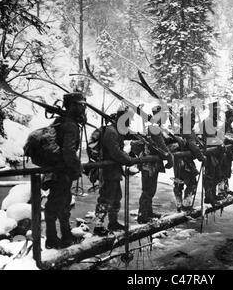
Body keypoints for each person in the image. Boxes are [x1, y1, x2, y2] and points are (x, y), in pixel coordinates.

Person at [89, 106, 149, 236]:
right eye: (128, 120)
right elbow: (115, 152)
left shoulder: (116, 130)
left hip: (113, 171)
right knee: (105, 198)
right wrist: (130, 160)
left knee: (116, 197)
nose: (129, 123)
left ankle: (113, 222)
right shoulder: (111, 132)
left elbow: (127, 134)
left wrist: (139, 135)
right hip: (107, 171)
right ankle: (98, 226)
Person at [42, 92, 86, 249]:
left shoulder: (60, 121)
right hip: (60, 172)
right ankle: (52, 239)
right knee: (55, 205)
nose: (83, 108)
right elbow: (68, 151)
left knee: (63, 203)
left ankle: (65, 235)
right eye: (81, 105)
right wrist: (76, 167)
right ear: (74, 106)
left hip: (54, 171)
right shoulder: (70, 125)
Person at [137, 105, 173, 224]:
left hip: (152, 163)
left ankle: (148, 211)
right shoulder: (154, 128)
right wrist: (169, 157)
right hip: (149, 164)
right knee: (147, 189)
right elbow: (161, 147)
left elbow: (163, 142)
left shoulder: (155, 127)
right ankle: (143, 215)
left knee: (151, 189)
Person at [172, 107, 206, 212]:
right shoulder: (188, 132)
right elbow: (193, 146)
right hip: (186, 163)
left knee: (179, 183)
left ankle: (179, 204)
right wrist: (201, 158)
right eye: (191, 120)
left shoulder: (178, 130)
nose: (192, 122)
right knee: (192, 183)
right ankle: (186, 205)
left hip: (177, 162)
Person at [218, 107, 233, 198]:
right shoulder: (224, 126)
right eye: (232, 116)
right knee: (222, 171)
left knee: (227, 171)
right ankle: (221, 190)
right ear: (228, 117)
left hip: (229, 152)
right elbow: (224, 137)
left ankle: (226, 189)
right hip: (224, 153)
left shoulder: (229, 126)